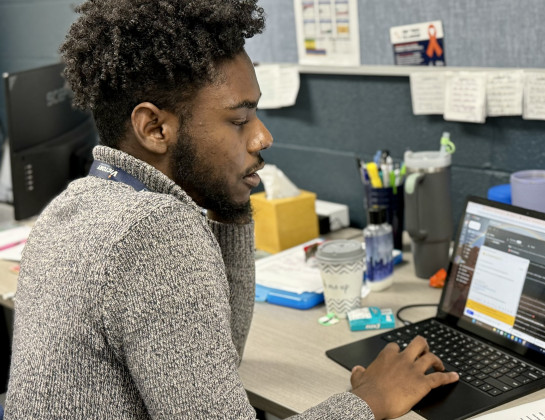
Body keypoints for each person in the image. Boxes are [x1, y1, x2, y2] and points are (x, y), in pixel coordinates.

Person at [3, 1, 458, 419]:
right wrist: (369, 400)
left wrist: (231, 207)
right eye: (239, 120)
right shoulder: (152, 231)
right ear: (154, 127)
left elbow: (217, 358)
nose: (262, 138)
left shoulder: (73, 206)